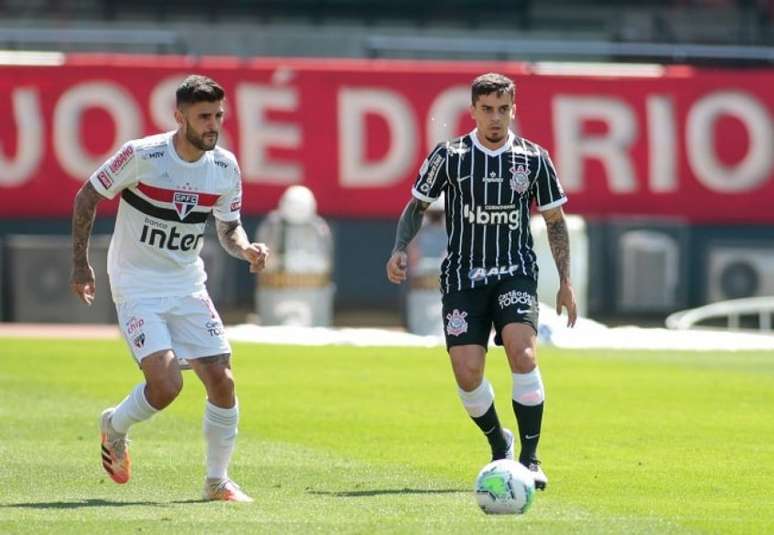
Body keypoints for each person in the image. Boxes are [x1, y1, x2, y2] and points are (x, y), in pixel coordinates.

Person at [70, 74, 269, 502]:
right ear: (179, 116)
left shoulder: (225, 167)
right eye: (203, 117)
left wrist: (246, 249)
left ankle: (217, 481)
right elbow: (88, 196)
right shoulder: (142, 155)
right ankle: (115, 426)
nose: (212, 125)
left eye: (218, 115)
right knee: (166, 387)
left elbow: (228, 227)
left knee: (222, 380)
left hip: (185, 284)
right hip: (136, 283)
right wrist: (81, 264)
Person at [386, 72, 577, 490]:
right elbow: (416, 206)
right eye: (487, 109)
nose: (495, 118)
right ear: (472, 111)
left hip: (515, 273)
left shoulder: (533, 158)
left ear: (514, 110)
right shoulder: (450, 156)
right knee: (467, 371)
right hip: (462, 278)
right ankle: (499, 444)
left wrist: (565, 280)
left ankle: (530, 459)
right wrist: (401, 248)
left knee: (523, 353)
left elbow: (555, 221)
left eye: (503, 109)